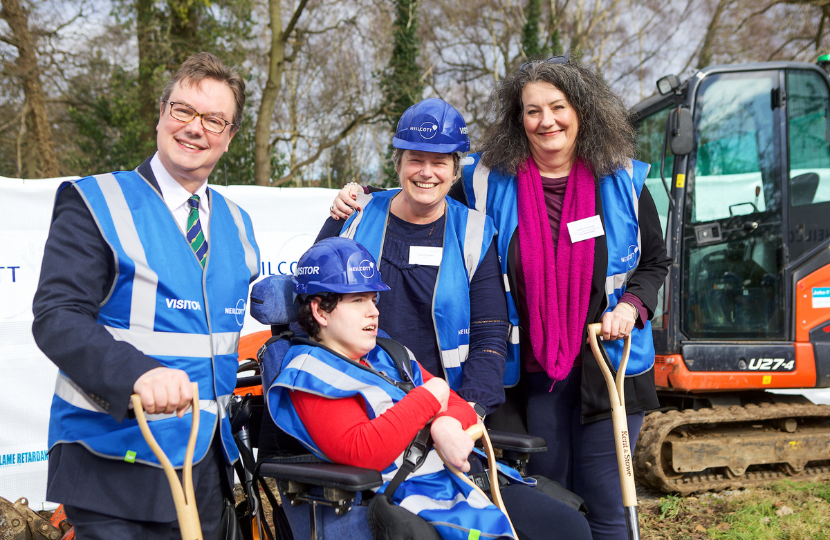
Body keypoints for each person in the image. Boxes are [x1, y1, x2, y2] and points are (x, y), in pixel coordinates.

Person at [330, 57, 671, 540]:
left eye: (558, 107)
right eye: (532, 111)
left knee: (609, 510)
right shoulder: (489, 181)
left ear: (583, 110)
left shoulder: (625, 183)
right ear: (518, 119)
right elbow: (424, 182)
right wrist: (359, 194)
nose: (546, 120)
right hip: (530, 376)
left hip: (608, 365)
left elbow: (656, 263)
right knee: (552, 499)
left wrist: (632, 305)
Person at [32, 52, 260, 539]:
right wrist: (138, 373)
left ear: (230, 137)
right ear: (161, 114)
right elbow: (57, 317)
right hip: (114, 461)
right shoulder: (95, 202)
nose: (196, 128)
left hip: (205, 466)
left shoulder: (239, 225)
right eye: (184, 111)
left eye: (214, 119)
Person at [267, 237, 592, 540]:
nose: (374, 311)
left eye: (373, 299)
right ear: (319, 310)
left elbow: (462, 409)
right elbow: (363, 453)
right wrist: (431, 396)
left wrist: (444, 422)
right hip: (408, 495)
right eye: (357, 301)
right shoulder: (307, 374)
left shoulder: (389, 353)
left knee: (569, 526)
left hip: (462, 477)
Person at [316, 98, 509, 420]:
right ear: (398, 164)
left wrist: (471, 408)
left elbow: (489, 333)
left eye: (439, 162)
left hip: (443, 406)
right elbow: (309, 303)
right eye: (415, 160)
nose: (426, 173)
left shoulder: (474, 232)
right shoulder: (355, 215)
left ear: (454, 171)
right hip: (353, 400)